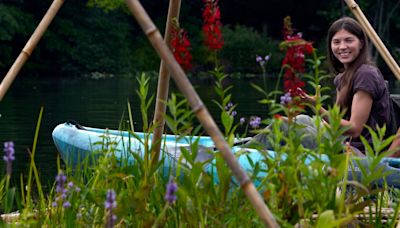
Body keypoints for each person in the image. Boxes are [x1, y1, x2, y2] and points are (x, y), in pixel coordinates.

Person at [246, 16, 391, 155]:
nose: (342, 47)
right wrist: (316, 122)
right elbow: (336, 123)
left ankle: (241, 154)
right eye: (336, 42)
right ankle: (245, 149)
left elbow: (354, 129)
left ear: (361, 43)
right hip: (340, 140)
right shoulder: (342, 78)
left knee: (284, 126)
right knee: (300, 119)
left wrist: (317, 108)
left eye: (348, 40)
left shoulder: (366, 74)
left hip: (358, 152)